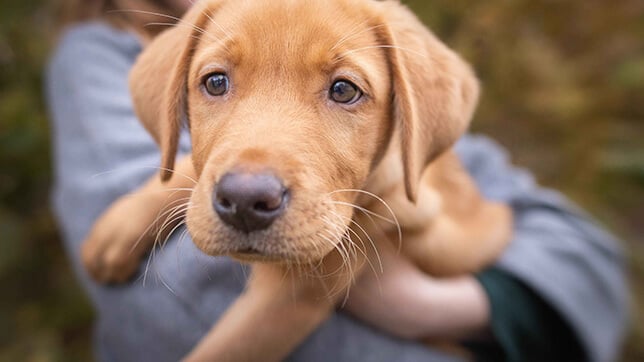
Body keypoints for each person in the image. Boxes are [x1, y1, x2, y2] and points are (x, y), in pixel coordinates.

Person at [46, 0, 628, 361]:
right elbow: (171, 304)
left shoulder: (358, 31)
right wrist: (168, 186)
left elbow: (589, 256)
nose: (249, 190)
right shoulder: (98, 58)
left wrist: (436, 308)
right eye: (217, 82)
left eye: (343, 89)